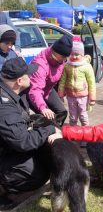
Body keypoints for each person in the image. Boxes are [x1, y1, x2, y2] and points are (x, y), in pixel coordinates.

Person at [0, 57, 58, 210]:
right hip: (5, 152)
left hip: (6, 147)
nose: (31, 77)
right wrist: (50, 129)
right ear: (19, 81)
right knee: (37, 176)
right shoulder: (4, 106)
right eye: (28, 75)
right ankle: (4, 186)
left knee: (39, 158)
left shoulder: (7, 91)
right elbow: (22, 141)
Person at [28, 34, 73, 126]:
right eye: (62, 57)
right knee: (47, 117)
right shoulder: (40, 65)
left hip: (48, 90)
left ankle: (56, 131)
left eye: (66, 57)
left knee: (62, 112)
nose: (64, 60)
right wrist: (43, 107)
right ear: (54, 52)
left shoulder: (60, 59)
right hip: (35, 92)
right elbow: (35, 89)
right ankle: (47, 135)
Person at [58, 36, 96, 127]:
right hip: (70, 95)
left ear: (82, 55)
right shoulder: (67, 66)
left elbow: (91, 83)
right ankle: (73, 133)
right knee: (73, 117)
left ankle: (86, 132)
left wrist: (92, 98)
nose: (74, 56)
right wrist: (61, 93)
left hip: (83, 96)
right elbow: (63, 80)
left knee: (83, 116)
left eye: (77, 54)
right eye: (72, 54)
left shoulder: (86, 66)